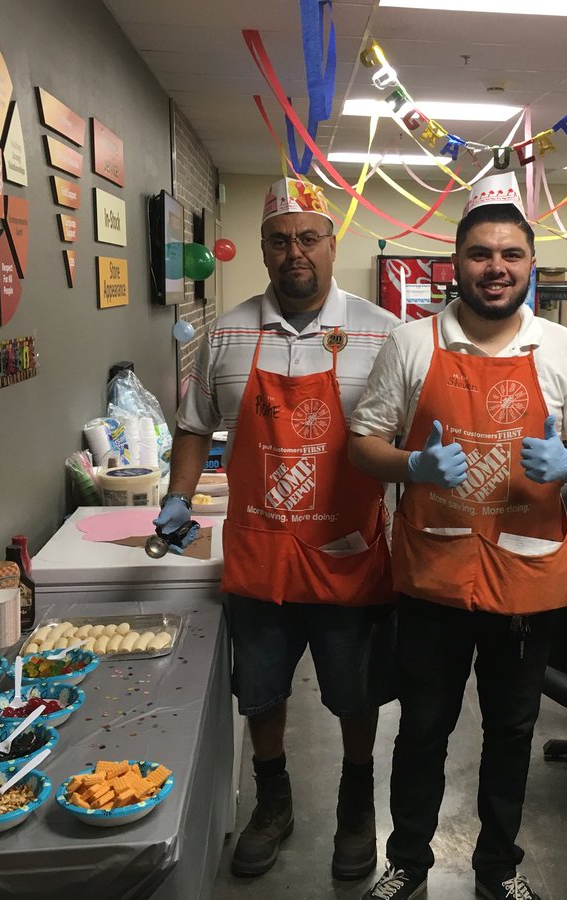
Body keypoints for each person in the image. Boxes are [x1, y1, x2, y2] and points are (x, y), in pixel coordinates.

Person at [349, 172, 567, 900]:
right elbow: (361, 442)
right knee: (424, 729)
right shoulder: (410, 343)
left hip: (527, 574)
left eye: (511, 254)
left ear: (530, 263)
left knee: (511, 732)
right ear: (456, 262)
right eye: (480, 253)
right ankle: (407, 862)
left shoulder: (563, 348)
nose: (496, 268)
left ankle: (498, 871)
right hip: (434, 568)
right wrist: (411, 463)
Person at [154, 176, 399, 881]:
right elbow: (195, 425)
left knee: (356, 695)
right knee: (258, 691)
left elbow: (404, 434)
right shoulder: (225, 332)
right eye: (281, 239)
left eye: (309, 238)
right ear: (263, 249)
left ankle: (357, 809)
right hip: (260, 554)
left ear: (331, 243)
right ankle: (273, 803)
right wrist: (177, 495)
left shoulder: (382, 332)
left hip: (348, 552)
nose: (296, 252)